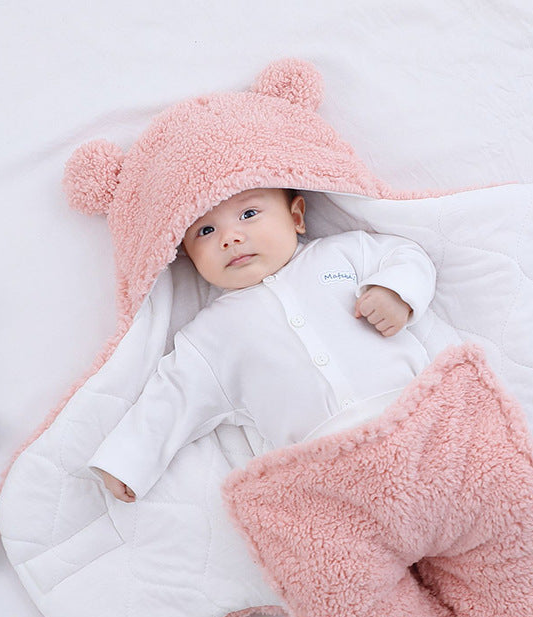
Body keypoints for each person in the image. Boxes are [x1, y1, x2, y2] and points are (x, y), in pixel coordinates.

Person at [91, 187, 437, 503]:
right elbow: (172, 396)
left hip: (422, 418)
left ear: (296, 217)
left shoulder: (343, 253)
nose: (230, 238)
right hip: (322, 469)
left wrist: (395, 292)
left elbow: (406, 255)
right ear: (187, 255)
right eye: (205, 231)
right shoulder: (210, 335)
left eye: (249, 214)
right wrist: (127, 459)